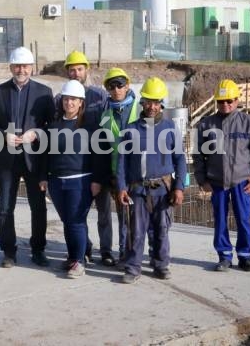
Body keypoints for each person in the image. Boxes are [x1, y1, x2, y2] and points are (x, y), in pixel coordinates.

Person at [0, 46, 55, 268]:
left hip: (34, 160)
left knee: (38, 207)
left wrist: (37, 133)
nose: (21, 69)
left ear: (32, 68)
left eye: (25, 66)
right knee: (5, 207)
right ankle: (8, 252)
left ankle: (38, 249)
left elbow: (51, 126)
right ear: (11, 67)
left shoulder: (44, 93)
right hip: (8, 160)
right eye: (17, 66)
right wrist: (2, 135)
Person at [116, 77, 186, 284]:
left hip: (163, 190)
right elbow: (121, 163)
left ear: (161, 104)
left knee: (162, 230)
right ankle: (133, 267)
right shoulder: (130, 130)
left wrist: (179, 187)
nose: (152, 106)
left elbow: (180, 159)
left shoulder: (170, 129)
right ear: (142, 102)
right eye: (148, 101)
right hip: (138, 190)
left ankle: (161, 264)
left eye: (156, 102)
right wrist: (121, 187)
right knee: (135, 231)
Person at [193, 79, 250, 273]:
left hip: (242, 182)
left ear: (237, 100)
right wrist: (202, 180)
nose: (225, 104)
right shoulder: (206, 125)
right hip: (217, 183)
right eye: (221, 101)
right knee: (220, 220)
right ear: (216, 102)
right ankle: (224, 256)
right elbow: (198, 155)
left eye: (229, 100)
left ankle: (245, 256)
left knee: (243, 219)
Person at [41, 80, 107, 278]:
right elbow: (44, 154)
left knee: (76, 221)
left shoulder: (91, 126)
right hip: (57, 181)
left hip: (81, 181)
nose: (69, 103)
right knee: (67, 221)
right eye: (66, 99)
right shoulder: (53, 125)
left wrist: (97, 180)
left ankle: (79, 261)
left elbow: (101, 155)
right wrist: (43, 177)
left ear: (81, 103)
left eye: (74, 100)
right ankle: (73, 256)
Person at [57, 51, 111, 265]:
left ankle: (106, 251)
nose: (75, 72)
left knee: (104, 211)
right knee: (78, 214)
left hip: (98, 158)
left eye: (79, 68)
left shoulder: (100, 95)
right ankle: (85, 248)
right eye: (72, 69)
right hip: (77, 165)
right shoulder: (60, 98)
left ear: (86, 69)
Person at [94, 67, 140, 267]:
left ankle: (150, 256)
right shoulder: (105, 115)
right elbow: (102, 148)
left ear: (127, 85)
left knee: (139, 218)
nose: (116, 89)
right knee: (122, 216)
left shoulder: (140, 109)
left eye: (120, 84)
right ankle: (123, 253)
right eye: (111, 86)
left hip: (138, 173)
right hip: (116, 173)